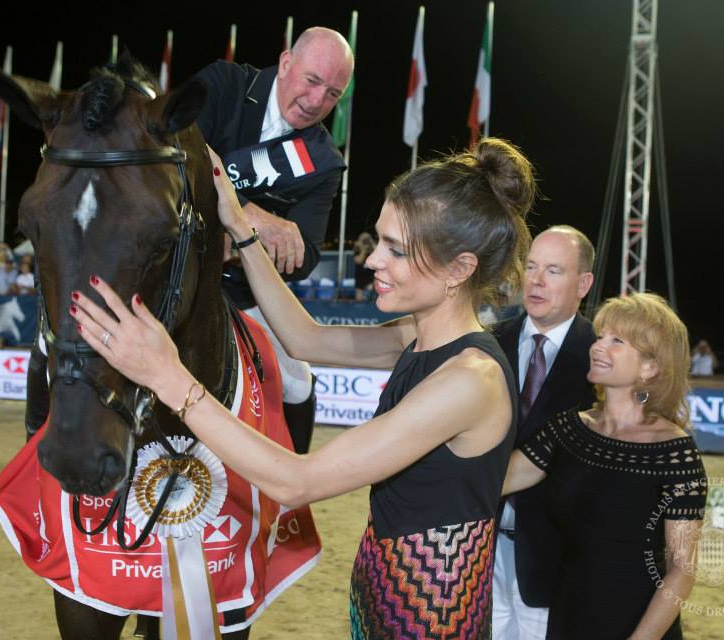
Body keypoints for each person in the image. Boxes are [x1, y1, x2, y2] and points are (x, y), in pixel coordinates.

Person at [71, 137, 536, 638]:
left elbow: (298, 481)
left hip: (431, 616)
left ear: (458, 269)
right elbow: (304, 339)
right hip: (384, 593)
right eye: (379, 241)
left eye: (396, 250)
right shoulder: (418, 337)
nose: (372, 260)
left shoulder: (469, 380)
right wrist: (240, 227)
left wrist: (167, 377)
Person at [503, 292, 707, 640]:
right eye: (600, 337)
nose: (598, 346)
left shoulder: (675, 454)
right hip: (568, 616)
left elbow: (682, 569)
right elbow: (492, 481)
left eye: (617, 341)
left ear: (650, 367)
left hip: (637, 623)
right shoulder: (566, 431)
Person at [193, 26, 353, 454]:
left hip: (243, 289)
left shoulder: (325, 161)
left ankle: (292, 484)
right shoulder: (225, 84)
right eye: (312, 80)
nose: (317, 101)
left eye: (333, 94)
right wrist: (253, 216)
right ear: (285, 63)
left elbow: (306, 256)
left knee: (298, 382)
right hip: (172, 262)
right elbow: (176, 153)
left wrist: (236, 243)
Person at [491, 225, 597, 639]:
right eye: (531, 267)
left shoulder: (601, 360)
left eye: (553, 271)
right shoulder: (489, 345)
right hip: (483, 552)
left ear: (583, 284)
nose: (535, 281)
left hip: (557, 561)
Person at [353, 231, 377, 301]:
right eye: (364, 240)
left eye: (367, 239)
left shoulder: (373, 248)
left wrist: (372, 244)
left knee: (371, 295)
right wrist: (364, 250)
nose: (366, 242)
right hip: (360, 275)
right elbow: (358, 261)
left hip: (371, 275)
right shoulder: (357, 248)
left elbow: (378, 257)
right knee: (359, 298)